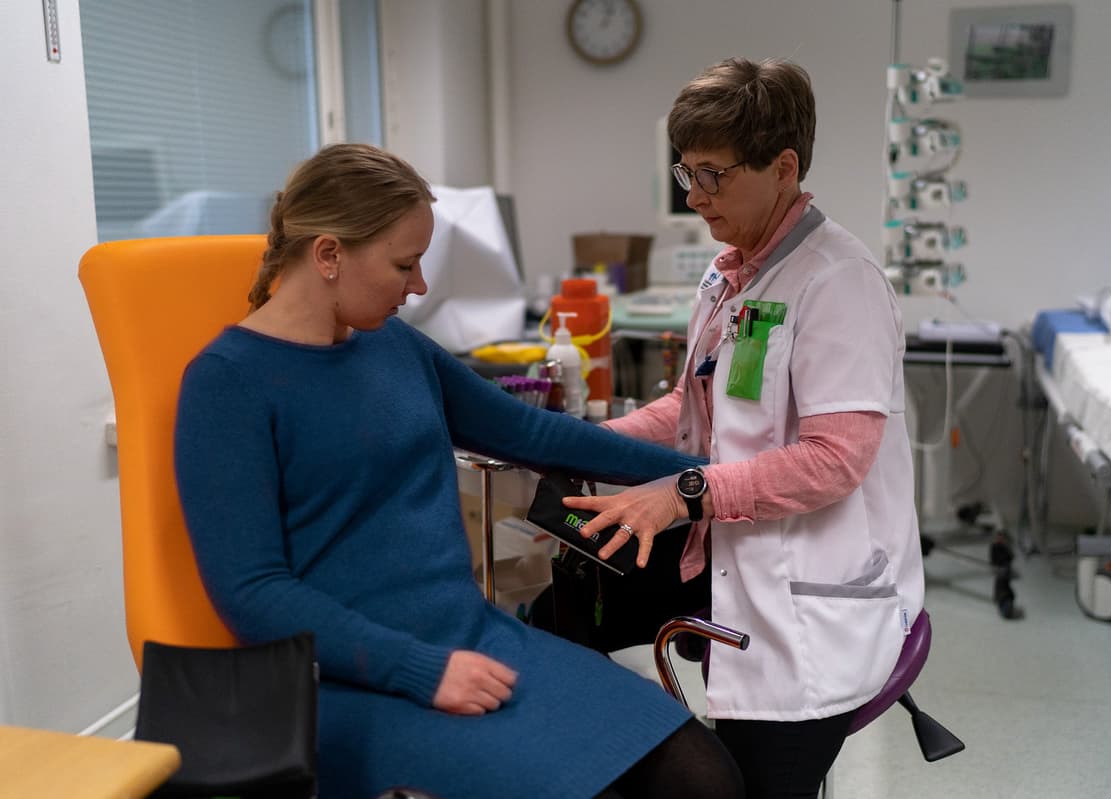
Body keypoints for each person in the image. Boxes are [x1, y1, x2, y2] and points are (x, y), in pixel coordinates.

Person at [173, 143, 744, 799]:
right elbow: (251, 592)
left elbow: (531, 431)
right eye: (403, 263)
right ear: (328, 255)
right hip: (350, 679)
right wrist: (420, 668)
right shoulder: (227, 385)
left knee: (703, 778)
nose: (417, 286)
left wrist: (706, 478)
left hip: (475, 637)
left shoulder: (391, 344)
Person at [562, 58, 925, 798]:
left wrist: (680, 494)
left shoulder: (837, 283)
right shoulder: (735, 275)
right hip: (728, 542)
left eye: (713, 176)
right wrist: (581, 447)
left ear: (783, 167)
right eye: (685, 174)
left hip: (811, 592)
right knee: (559, 610)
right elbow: (693, 409)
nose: (694, 197)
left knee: (742, 788)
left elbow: (834, 460)